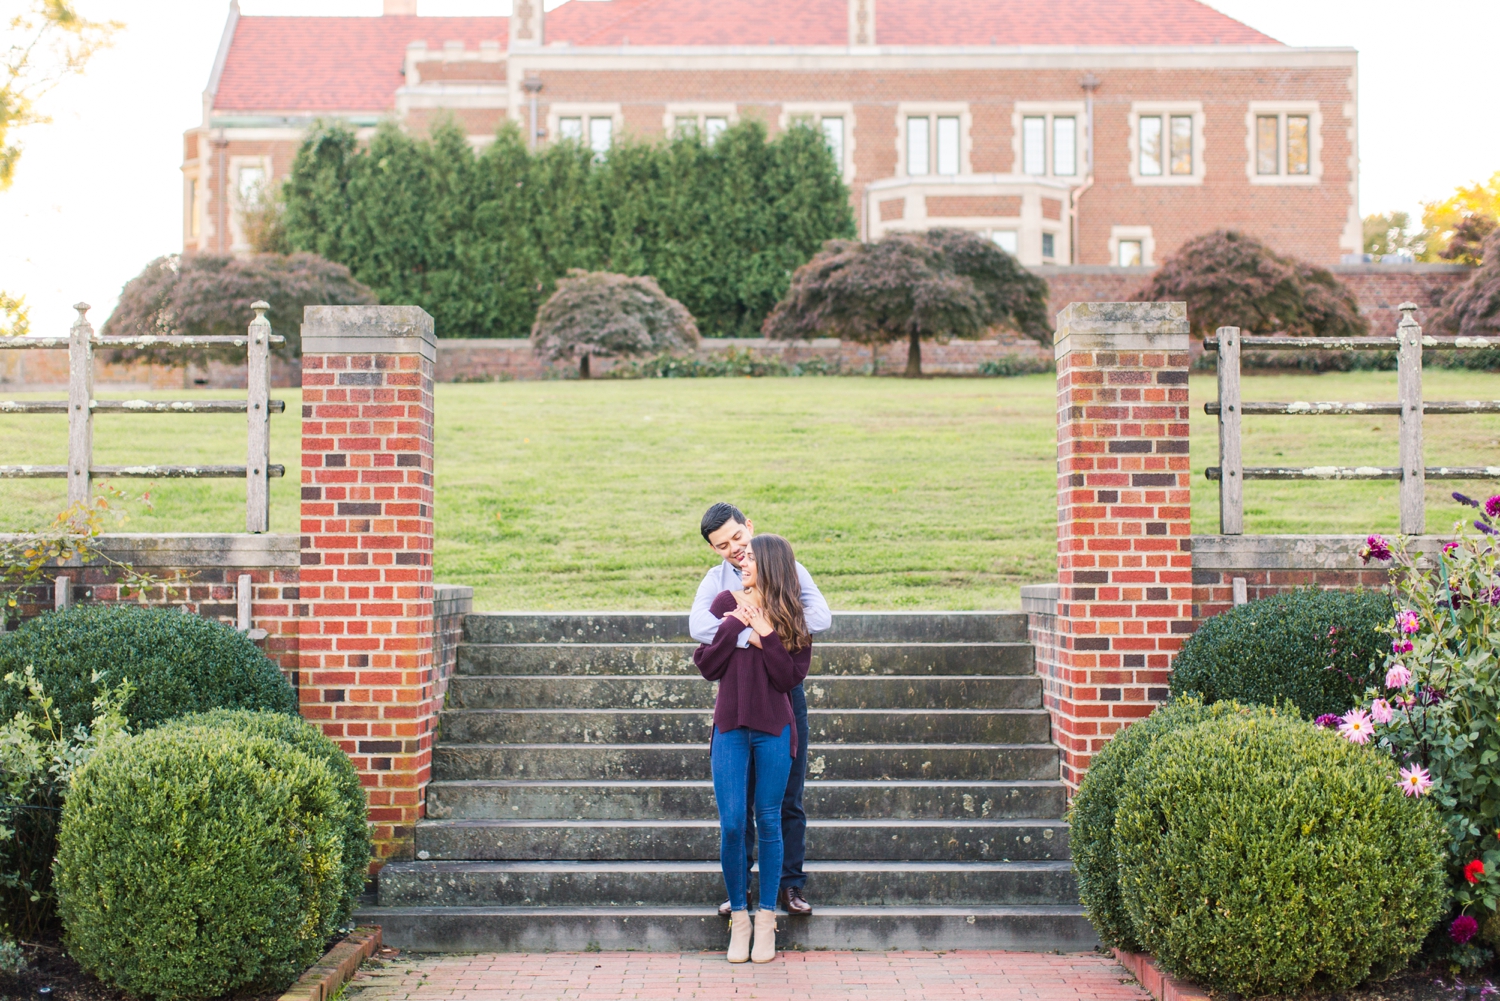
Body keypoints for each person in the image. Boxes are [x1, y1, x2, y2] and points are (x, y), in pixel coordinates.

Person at [690, 503, 830, 918]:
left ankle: (789, 885)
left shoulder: (786, 565)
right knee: (741, 802)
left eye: (737, 538)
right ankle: (743, 890)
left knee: (787, 798)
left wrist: (772, 624)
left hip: (783, 693)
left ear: (748, 526)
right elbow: (700, 628)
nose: (734, 549)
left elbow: (819, 618)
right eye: (722, 545)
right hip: (738, 696)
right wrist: (750, 632)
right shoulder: (716, 583)